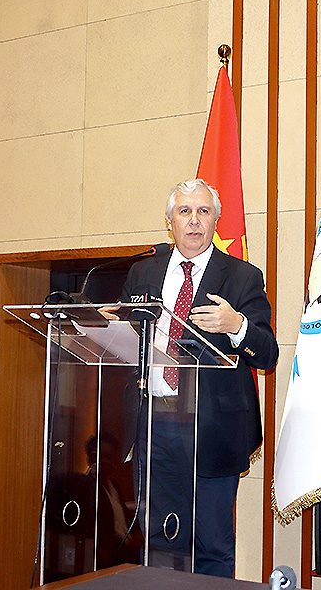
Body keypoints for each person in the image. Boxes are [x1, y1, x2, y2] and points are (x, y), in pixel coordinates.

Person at [101, 179, 278, 577]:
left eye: (203, 212)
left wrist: (237, 325)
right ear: (170, 222)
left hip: (211, 428)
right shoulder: (143, 272)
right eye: (184, 212)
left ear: (216, 220)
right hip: (153, 425)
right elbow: (129, 341)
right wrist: (109, 329)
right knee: (161, 541)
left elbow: (268, 353)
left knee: (212, 544)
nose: (194, 221)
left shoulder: (242, 276)